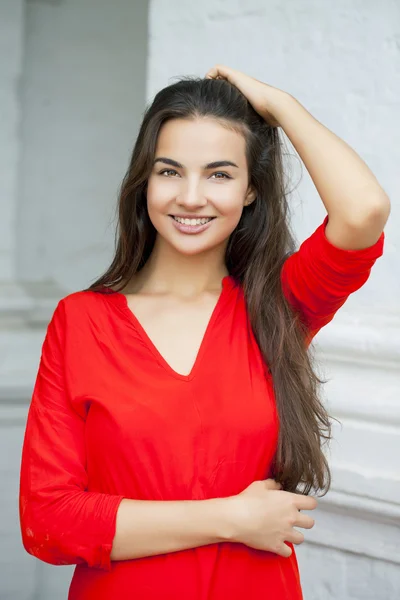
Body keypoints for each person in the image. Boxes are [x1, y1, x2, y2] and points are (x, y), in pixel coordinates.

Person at [19, 65, 390, 600]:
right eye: (170, 172)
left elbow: (364, 212)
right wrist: (231, 518)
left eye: (219, 174)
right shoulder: (82, 321)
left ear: (250, 191)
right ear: (144, 182)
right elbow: (49, 519)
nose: (191, 197)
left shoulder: (278, 307)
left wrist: (278, 105)